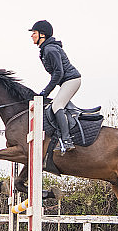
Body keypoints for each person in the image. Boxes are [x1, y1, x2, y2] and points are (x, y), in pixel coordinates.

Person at [29, 20, 81, 153]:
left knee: (57, 105)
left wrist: (44, 92)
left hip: (72, 80)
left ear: (42, 35)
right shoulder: (46, 49)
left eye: (34, 33)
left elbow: (59, 73)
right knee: (57, 105)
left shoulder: (50, 49)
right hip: (67, 81)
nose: (32, 36)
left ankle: (67, 140)